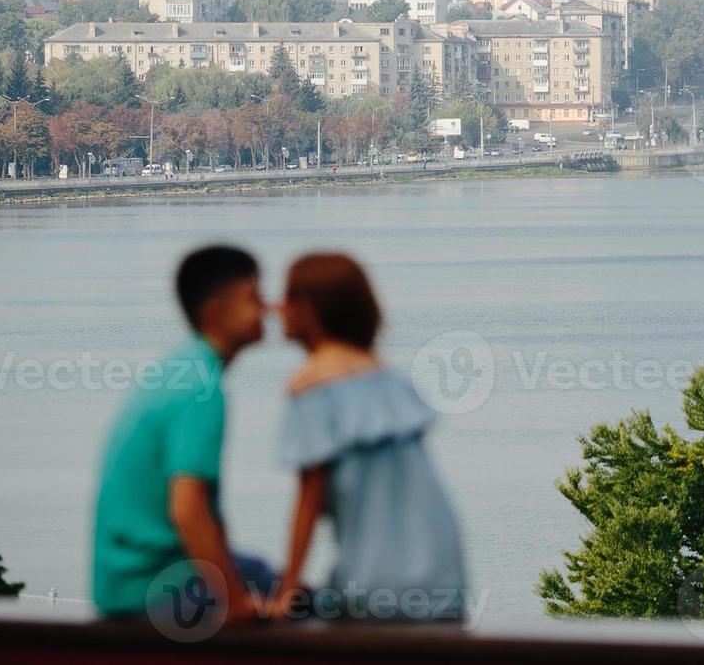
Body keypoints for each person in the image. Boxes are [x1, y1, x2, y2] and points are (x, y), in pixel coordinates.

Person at [271, 253, 467, 623]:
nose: (277, 308)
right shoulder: (388, 377)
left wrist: (287, 589)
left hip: (378, 584)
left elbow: (309, 496)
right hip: (443, 571)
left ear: (308, 309)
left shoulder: (311, 386)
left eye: (287, 298)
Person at [92, 245, 274, 625]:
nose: (267, 308)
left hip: (124, 581)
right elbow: (187, 508)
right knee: (311, 608)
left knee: (267, 578)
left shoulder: (181, 366)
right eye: (253, 298)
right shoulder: (201, 389)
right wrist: (236, 605)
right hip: (153, 589)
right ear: (215, 314)